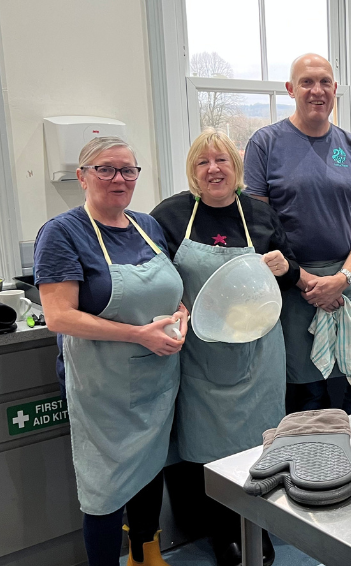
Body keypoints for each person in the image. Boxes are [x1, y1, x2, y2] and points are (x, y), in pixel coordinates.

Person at [35, 137, 187, 566]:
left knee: (150, 468)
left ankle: (146, 553)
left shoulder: (147, 226)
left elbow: (169, 290)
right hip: (105, 386)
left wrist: (182, 315)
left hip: (158, 377)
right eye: (105, 169)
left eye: (128, 170)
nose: (119, 179)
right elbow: (60, 316)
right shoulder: (63, 233)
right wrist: (139, 335)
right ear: (82, 177)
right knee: (105, 487)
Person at [151, 129, 298, 566]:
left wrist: (284, 266)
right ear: (193, 172)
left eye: (222, 161)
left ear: (236, 168)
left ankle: (258, 527)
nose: (213, 169)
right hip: (203, 354)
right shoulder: (171, 216)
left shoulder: (258, 215)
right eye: (203, 162)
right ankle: (224, 535)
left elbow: (289, 274)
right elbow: (156, 276)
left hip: (260, 354)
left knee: (260, 445)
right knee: (209, 451)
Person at [243, 53, 351, 413]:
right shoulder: (265, 145)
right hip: (295, 288)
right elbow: (258, 228)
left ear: (335, 89)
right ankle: (320, 469)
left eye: (325, 82)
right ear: (291, 89)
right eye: (307, 82)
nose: (317, 90)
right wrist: (307, 281)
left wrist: (343, 277)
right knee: (309, 396)